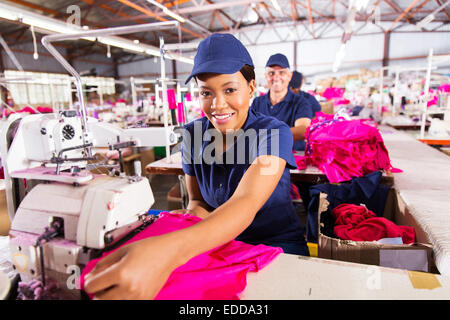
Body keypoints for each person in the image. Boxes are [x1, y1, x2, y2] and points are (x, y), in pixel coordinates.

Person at [83, 33, 308, 300]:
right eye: (206, 92)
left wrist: (169, 251)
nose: (217, 105)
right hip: (218, 243)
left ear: (250, 87)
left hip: (275, 244)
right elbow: (198, 203)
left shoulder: (273, 133)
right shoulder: (193, 135)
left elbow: (246, 202)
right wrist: (172, 238)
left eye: (230, 89)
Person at [251, 53, 312, 151]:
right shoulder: (257, 103)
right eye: (271, 73)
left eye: (281, 73)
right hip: (262, 156)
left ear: (289, 76)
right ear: (266, 76)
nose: (276, 77)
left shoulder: (301, 102)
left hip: (293, 158)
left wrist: (268, 135)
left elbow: (303, 130)